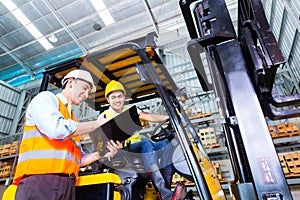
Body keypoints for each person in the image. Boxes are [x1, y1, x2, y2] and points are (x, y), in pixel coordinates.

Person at [12, 69, 121, 200]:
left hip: (67, 184)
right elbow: (56, 130)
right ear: (70, 83)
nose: (86, 95)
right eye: (85, 88)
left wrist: (101, 153)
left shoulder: (73, 121)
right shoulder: (46, 99)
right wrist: (97, 124)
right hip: (41, 181)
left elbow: (78, 159)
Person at [98, 80, 187, 200]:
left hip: (137, 149)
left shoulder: (130, 111)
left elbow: (149, 116)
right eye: (113, 97)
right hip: (119, 151)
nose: (117, 100)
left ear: (124, 97)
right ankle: (162, 189)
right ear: (108, 100)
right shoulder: (104, 117)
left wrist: (171, 118)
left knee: (167, 144)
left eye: (120, 96)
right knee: (147, 143)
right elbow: (101, 141)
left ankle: (165, 190)